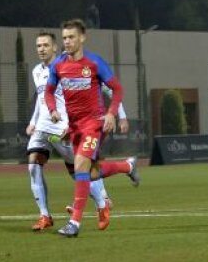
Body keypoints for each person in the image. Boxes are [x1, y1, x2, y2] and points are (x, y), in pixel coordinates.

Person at [44, 18, 140, 237]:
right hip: (75, 126)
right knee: (89, 172)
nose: (67, 42)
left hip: (94, 124)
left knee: (79, 166)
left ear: (82, 38)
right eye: (64, 38)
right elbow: (49, 92)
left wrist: (111, 113)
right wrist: (52, 110)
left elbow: (117, 89)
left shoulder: (94, 63)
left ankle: (74, 223)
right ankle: (127, 166)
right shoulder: (58, 65)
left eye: (71, 37)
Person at [25, 31, 120, 231]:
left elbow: (106, 90)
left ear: (55, 48)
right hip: (42, 129)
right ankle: (45, 216)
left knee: (80, 171)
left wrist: (118, 114)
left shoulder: (67, 68)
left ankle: (102, 202)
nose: (41, 49)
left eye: (45, 45)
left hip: (64, 129)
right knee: (33, 166)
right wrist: (33, 121)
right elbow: (42, 100)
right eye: (38, 46)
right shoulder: (36, 71)